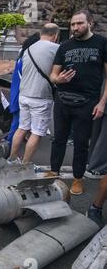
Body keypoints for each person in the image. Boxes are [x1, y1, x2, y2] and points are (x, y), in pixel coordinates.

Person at [48, 10, 107, 195]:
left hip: (87, 102)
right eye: (73, 24)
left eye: (79, 23)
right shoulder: (65, 46)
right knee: (58, 139)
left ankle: (78, 179)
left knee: (81, 143)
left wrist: (102, 103)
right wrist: (59, 80)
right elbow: (53, 76)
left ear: (90, 23)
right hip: (63, 100)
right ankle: (53, 172)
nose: (75, 27)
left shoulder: (101, 43)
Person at [8, 24, 60, 164]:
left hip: (24, 95)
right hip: (41, 97)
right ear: (55, 35)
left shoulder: (27, 49)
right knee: (36, 133)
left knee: (22, 128)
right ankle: (25, 164)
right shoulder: (56, 49)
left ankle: (12, 160)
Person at [7, 32, 41, 146]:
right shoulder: (28, 57)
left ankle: (10, 146)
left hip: (18, 92)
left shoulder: (23, 54)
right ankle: (8, 147)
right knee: (17, 124)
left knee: (18, 123)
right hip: (22, 93)